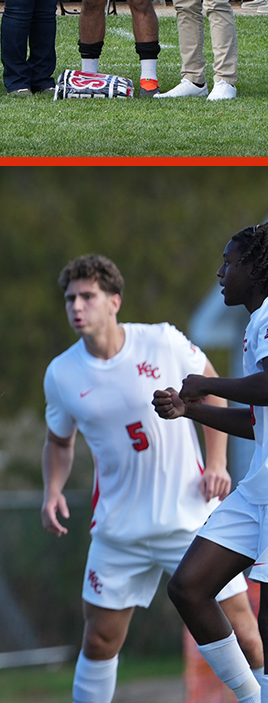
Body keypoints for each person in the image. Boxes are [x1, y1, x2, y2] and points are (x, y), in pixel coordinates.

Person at [41, 254, 258, 702]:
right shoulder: (61, 373)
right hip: (120, 528)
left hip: (189, 516)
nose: (76, 306)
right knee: (99, 640)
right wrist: (52, 490)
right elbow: (59, 443)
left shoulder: (161, 341)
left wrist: (217, 465)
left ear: (114, 301)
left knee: (244, 630)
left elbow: (213, 394)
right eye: (69, 298)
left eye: (87, 296)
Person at [155, 224, 268, 703]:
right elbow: (259, 421)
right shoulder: (255, 323)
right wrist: (190, 410)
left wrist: (208, 386)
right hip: (257, 492)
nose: (221, 272)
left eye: (229, 262)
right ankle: (251, 697)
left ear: (257, 268)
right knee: (189, 587)